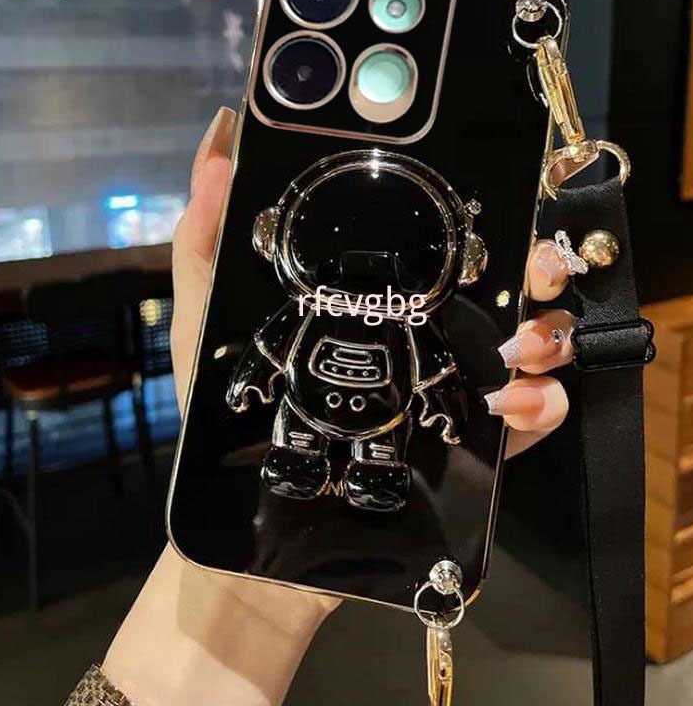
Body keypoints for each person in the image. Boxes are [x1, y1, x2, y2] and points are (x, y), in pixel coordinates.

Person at [66, 107, 574, 706]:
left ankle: (373, 470)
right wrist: (244, 386)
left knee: (376, 449)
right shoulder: (318, 311)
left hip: (379, 420)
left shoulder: (402, 323)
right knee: (303, 442)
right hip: (310, 413)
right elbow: (269, 350)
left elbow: (432, 370)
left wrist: (451, 407)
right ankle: (317, 463)